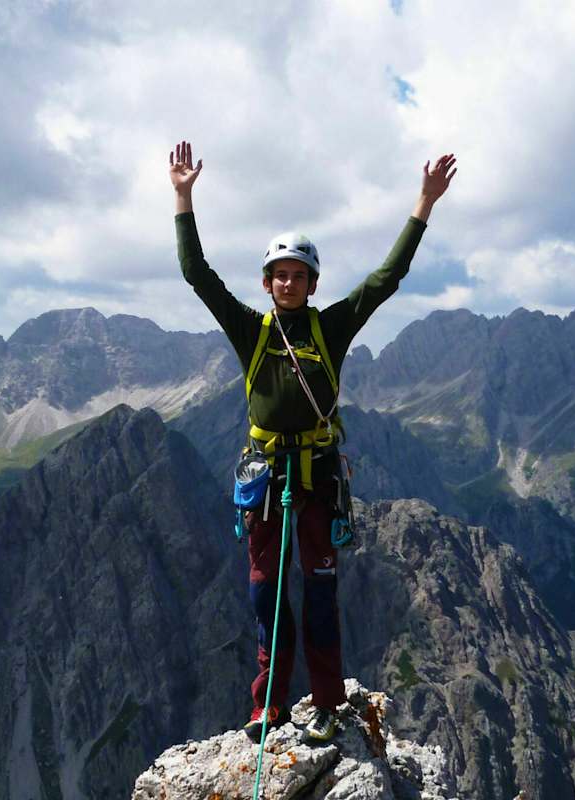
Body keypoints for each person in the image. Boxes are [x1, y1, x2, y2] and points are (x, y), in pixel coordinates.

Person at [170, 139, 455, 743]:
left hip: (318, 475)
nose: (289, 283)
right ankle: (268, 707)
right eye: (280, 275)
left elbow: (387, 278)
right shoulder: (251, 330)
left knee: (320, 595)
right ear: (268, 282)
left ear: (312, 282)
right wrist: (183, 197)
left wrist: (423, 204)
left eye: (299, 276)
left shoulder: (331, 327)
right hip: (269, 479)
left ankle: (327, 702)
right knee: (268, 600)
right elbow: (197, 275)